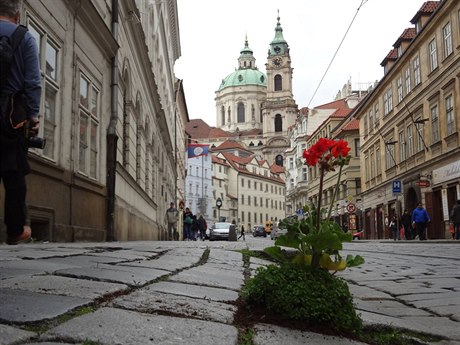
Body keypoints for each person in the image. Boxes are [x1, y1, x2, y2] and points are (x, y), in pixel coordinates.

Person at [0, 0, 41, 245]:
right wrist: (33, 115)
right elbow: (33, 81)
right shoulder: (24, 38)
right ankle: (15, 230)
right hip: (11, 116)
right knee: (13, 171)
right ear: (17, 16)